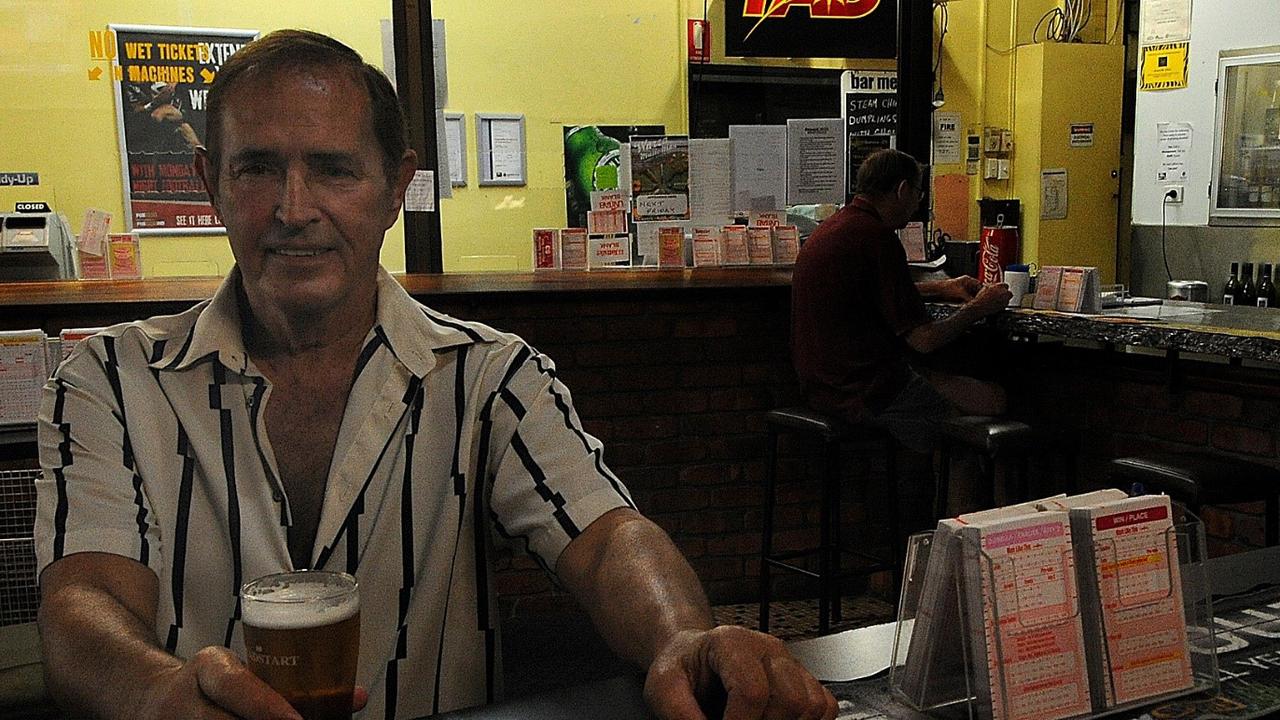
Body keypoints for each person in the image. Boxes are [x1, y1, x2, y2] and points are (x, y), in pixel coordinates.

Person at [34, 30, 836, 720]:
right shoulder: (106, 376)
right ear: (212, 184)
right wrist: (152, 694)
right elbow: (83, 603)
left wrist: (681, 639)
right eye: (257, 169)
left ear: (395, 188)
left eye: (334, 170)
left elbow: (606, 538)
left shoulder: (489, 376)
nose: (293, 206)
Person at [791, 148, 1012, 454]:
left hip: (824, 386)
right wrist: (980, 307)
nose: (916, 205)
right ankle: (972, 500)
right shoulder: (877, 238)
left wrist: (941, 288)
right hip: (868, 390)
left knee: (978, 397)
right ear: (902, 190)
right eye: (918, 195)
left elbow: (864, 293)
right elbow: (924, 340)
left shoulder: (831, 229)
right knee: (978, 419)